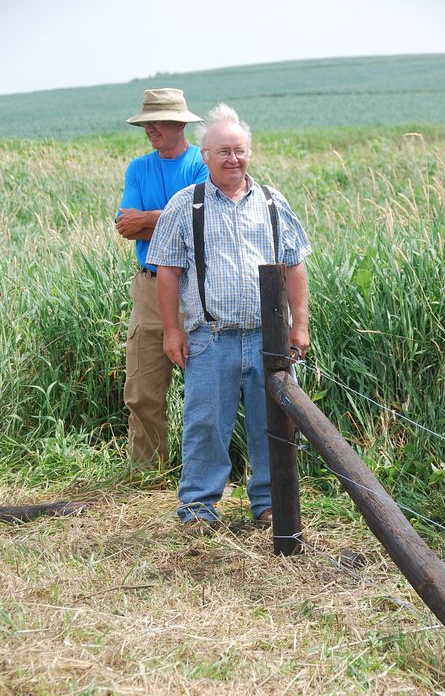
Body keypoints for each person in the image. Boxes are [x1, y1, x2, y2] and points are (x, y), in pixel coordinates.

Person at [146, 103, 311, 534]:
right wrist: (171, 330)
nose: (232, 159)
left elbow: (294, 265)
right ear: (205, 156)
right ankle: (199, 509)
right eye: (222, 151)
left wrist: (299, 325)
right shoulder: (186, 205)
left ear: (249, 152)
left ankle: (270, 504)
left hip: (268, 338)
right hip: (209, 338)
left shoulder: (274, 202)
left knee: (271, 424)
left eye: (239, 150)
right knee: (204, 426)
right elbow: (167, 272)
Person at [116, 88, 208, 470]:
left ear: (178, 124)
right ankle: (148, 475)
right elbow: (125, 225)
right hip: (149, 287)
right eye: (145, 123)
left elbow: (202, 222)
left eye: (156, 122)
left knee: (205, 390)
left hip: (197, 288)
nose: (149, 129)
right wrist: (173, 214)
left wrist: (151, 220)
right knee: (142, 390)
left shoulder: (201, 166)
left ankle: (202, 475)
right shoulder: (138, 168)